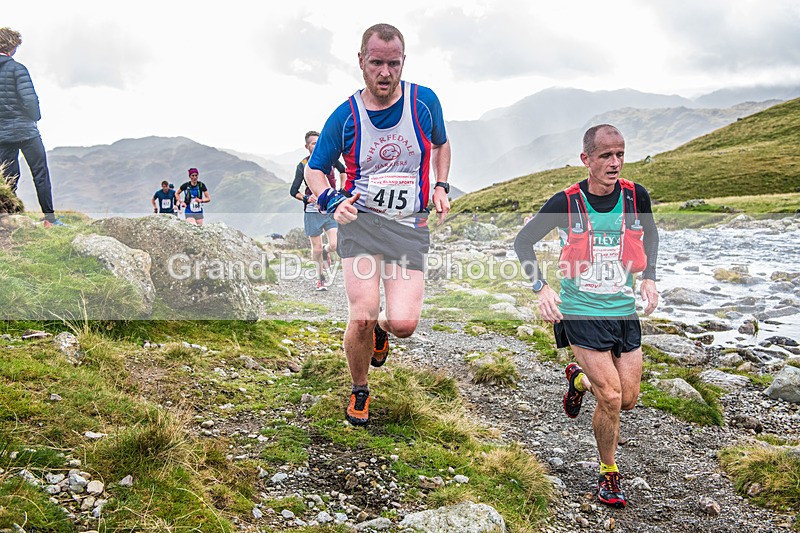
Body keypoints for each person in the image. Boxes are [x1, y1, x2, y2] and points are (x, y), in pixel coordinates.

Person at [305, 23, 451, 426]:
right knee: (362, 314)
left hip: (409, 225)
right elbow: (315, 170)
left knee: (403, 324)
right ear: (361, 62)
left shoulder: (424, 102)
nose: (385, 73)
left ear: (403, 62)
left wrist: (440, 185)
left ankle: (383, 333)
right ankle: (359, 388)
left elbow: (441, 143)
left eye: (393, 63)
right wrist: (332, 201)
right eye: (376, 63)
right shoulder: (345, 115)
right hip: (362, 223)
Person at [514, 124, 659, 509]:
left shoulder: (634, 195)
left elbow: (651, 234)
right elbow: (523, 241)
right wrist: (541, 288)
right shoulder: (566, 201)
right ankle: (608, 471)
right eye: (606, 156)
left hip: (624, 312)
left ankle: (578, 382)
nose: (615, 163)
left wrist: (649, 278)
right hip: (580, 312)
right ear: (586, 159)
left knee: (626, 399)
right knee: (610, 396)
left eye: (620, 154)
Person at [0, 27, 57, 227]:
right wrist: (35, 117)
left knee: (8, 178)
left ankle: (8, 218)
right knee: (40, 172)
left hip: (2, 134)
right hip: (26, 131)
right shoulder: (18, 69)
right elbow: (30, 101)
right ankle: (49, 218)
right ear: (11, 47)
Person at [290, 130, 346, 291]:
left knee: (334, 245)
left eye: (319, 141)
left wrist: (341, 189)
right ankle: (320, 278)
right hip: (312, 211)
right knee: (315, 247)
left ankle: (325, 252)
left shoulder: (331, 158)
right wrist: (307, 198)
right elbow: (294, 191)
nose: (317, 145)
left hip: (330, 210)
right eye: (313, 143)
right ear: (307, 146)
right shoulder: (303, 165)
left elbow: (343, 170)